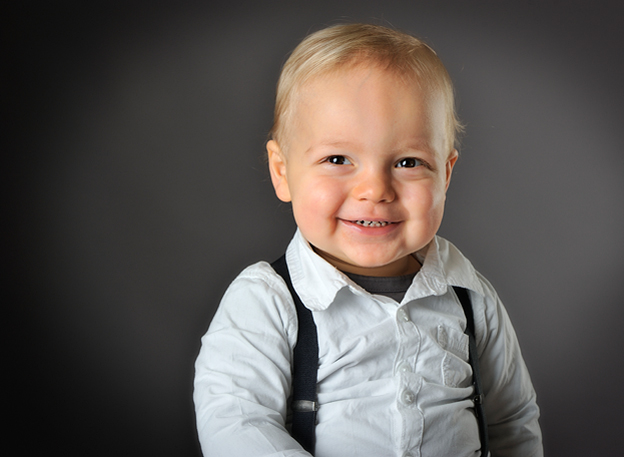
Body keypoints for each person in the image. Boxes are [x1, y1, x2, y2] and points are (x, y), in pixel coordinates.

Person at [194, 23, 543, 457]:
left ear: (446, 174)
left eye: (409, 162)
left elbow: (511, 420)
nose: (375, 190)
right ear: (282, 171)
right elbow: (236, 424)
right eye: (337, 159)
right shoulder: (266, 300)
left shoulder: (470, 298)